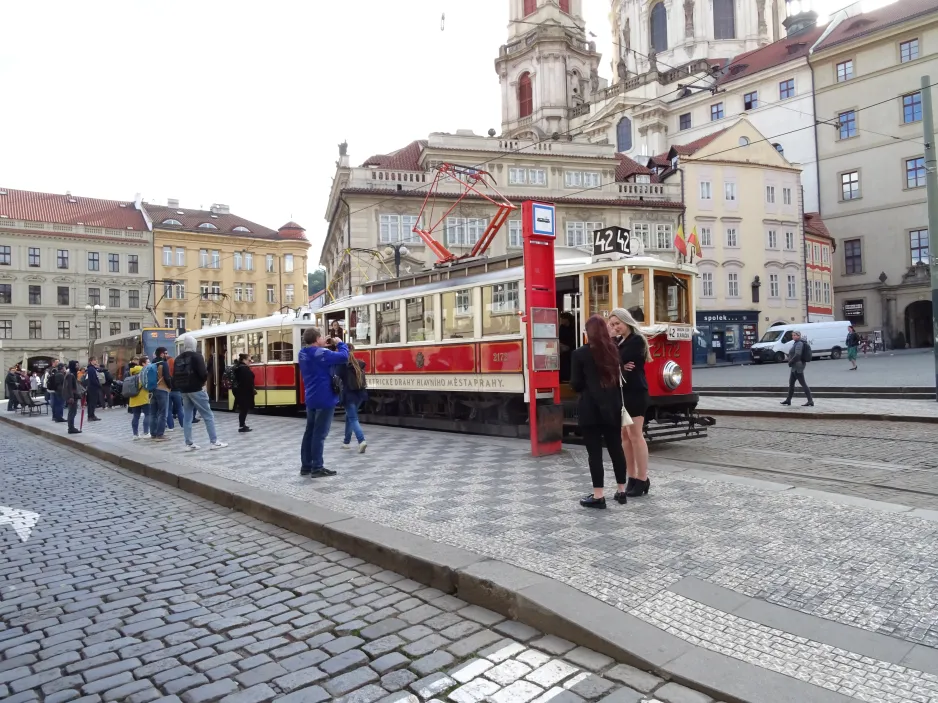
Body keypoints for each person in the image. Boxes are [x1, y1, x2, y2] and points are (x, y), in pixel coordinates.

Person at [570, 315, 629, 509]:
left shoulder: (579, 354)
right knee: (616, 449)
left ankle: (598, 496)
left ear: (588, 333)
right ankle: (621, 491)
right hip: (612, 408)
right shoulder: (614, 351)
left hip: (590, 409)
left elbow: (576, 384)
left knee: (594, 453)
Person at [609, 307, 652, 498]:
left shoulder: (636, 340)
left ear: (626, 321)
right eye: (612, 324)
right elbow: (610, 361)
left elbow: (616, 359)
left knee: (635, 435)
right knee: (625, 436)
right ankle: (632, 477)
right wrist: (619, 365)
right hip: (622, 393)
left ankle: (643, 479)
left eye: (617, 323)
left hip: (635, 392)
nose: (615, 327)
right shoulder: (620, 341)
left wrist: (618, 364)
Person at [298, 327, 349, 477]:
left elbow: (317, 355)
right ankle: (317, 468)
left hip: (311, 398)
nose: (324, 339)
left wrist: (322, 346)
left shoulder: (302, 353)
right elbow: (344, 357)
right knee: (319, 435)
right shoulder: (322, 353)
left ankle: (306, 466)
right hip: (325, 398)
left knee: (309, 432)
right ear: (316, 339)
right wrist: (340, 343)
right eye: (321, 337)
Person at [173, 335, 228, 451]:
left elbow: (175, 375)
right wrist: (202, 384)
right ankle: (214, 441)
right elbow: (203, 373)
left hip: (184, 390)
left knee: (187, 417)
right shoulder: (197, 356)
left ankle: (189, 443)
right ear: (193, 345)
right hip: (196, 389)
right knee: (208, 415)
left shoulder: (178, 358)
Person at [337, 343, 368, 452]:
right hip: (360, 394)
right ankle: (346, 442)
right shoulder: (358, 363)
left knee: (353, 419)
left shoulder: (342, 365)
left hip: (348, 395)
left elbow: (335, 376)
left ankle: (361, 441)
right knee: (349, 417)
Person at [781, 331, 814, 407]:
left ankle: (810, 401)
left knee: (803, 383)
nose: (793, 336)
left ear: (799, 336)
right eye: (792, 335)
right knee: (791, 383)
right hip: (794, 367)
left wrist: (790, 361)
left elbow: (797, 355)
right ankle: (788, 400)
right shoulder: (796, 343)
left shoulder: (799, 343)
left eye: (795, 335)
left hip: (798, 366)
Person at [148, 347, 173, 441]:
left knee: (153, 413)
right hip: (162, 390)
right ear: (162, 354)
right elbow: (167, 377)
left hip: (153, 389)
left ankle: (153, 434)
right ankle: (160, 435)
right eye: (166, 353)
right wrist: (170, 386)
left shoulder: (152, 363)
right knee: (163, 413)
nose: (167, 355)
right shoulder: (163, 363)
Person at [232, 353, 256, 433]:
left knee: (244, 409)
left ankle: (243, 425)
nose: (250, 362)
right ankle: (241, 426)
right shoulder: (243, 369)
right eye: (249, 360)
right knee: (243, 409)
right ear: (244, 360)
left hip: (241, 391)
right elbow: (247, 381)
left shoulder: (240, 367)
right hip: (244, 392)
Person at [128, 357, 151, 440]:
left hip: (133, 396)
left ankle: (135, 434)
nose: (149, 363)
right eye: (148, 362)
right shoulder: (145, 371)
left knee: (136, 416)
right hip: (143, 396)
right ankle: (146, 432)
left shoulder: (132, 371)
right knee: (148, 414)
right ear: (143, 363)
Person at [64, 360, 84, 434]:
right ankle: (71, 428)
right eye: (76, 365)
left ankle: (71, 427)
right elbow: (69, 387)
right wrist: (71, 397)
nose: (78, 367)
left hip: (73, 396)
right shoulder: (70, 375)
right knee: (72, 412)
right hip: (72, 396)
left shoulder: (73, 374)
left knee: (73, 412)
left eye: (78, 365)